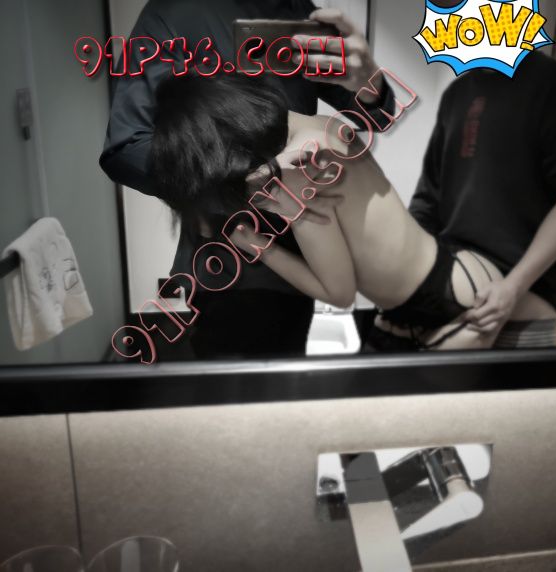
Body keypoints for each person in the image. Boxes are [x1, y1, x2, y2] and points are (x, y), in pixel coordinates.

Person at [150, 73, 551, 351]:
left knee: (414, 432)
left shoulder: (297, 172)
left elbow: (339, 294)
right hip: (442, 282)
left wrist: (258, 245)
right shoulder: (314, 126)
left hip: (454, 303)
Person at [100, 0, 395, 358]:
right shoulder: (172, 12)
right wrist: (243, 185)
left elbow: (376, 115)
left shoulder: (297, 9)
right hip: (229, 258)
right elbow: (126, 149)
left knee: (286, 372)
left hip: (301, 247)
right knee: (232, 383)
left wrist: (369, 81)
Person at [404, 51, 556, 349]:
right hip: (454, 284)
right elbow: (428, 198)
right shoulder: (457, 93)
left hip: (521, 300)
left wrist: (514, 286)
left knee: (509, 382)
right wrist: (410, 269)